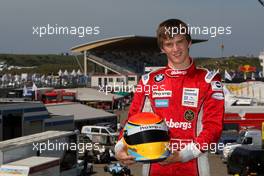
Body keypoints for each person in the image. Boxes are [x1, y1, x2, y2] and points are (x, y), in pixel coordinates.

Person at [115, 19, 224, 176]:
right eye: (169, 44)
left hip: (194, 166)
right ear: (162, 48)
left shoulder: (209, 80)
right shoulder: (148, 81)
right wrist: (120, 148)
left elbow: (213, 127)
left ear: (189, 43)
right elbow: (132, 121)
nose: (176, 49)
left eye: (180, 42)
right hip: (155, 168)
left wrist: (182, 155)